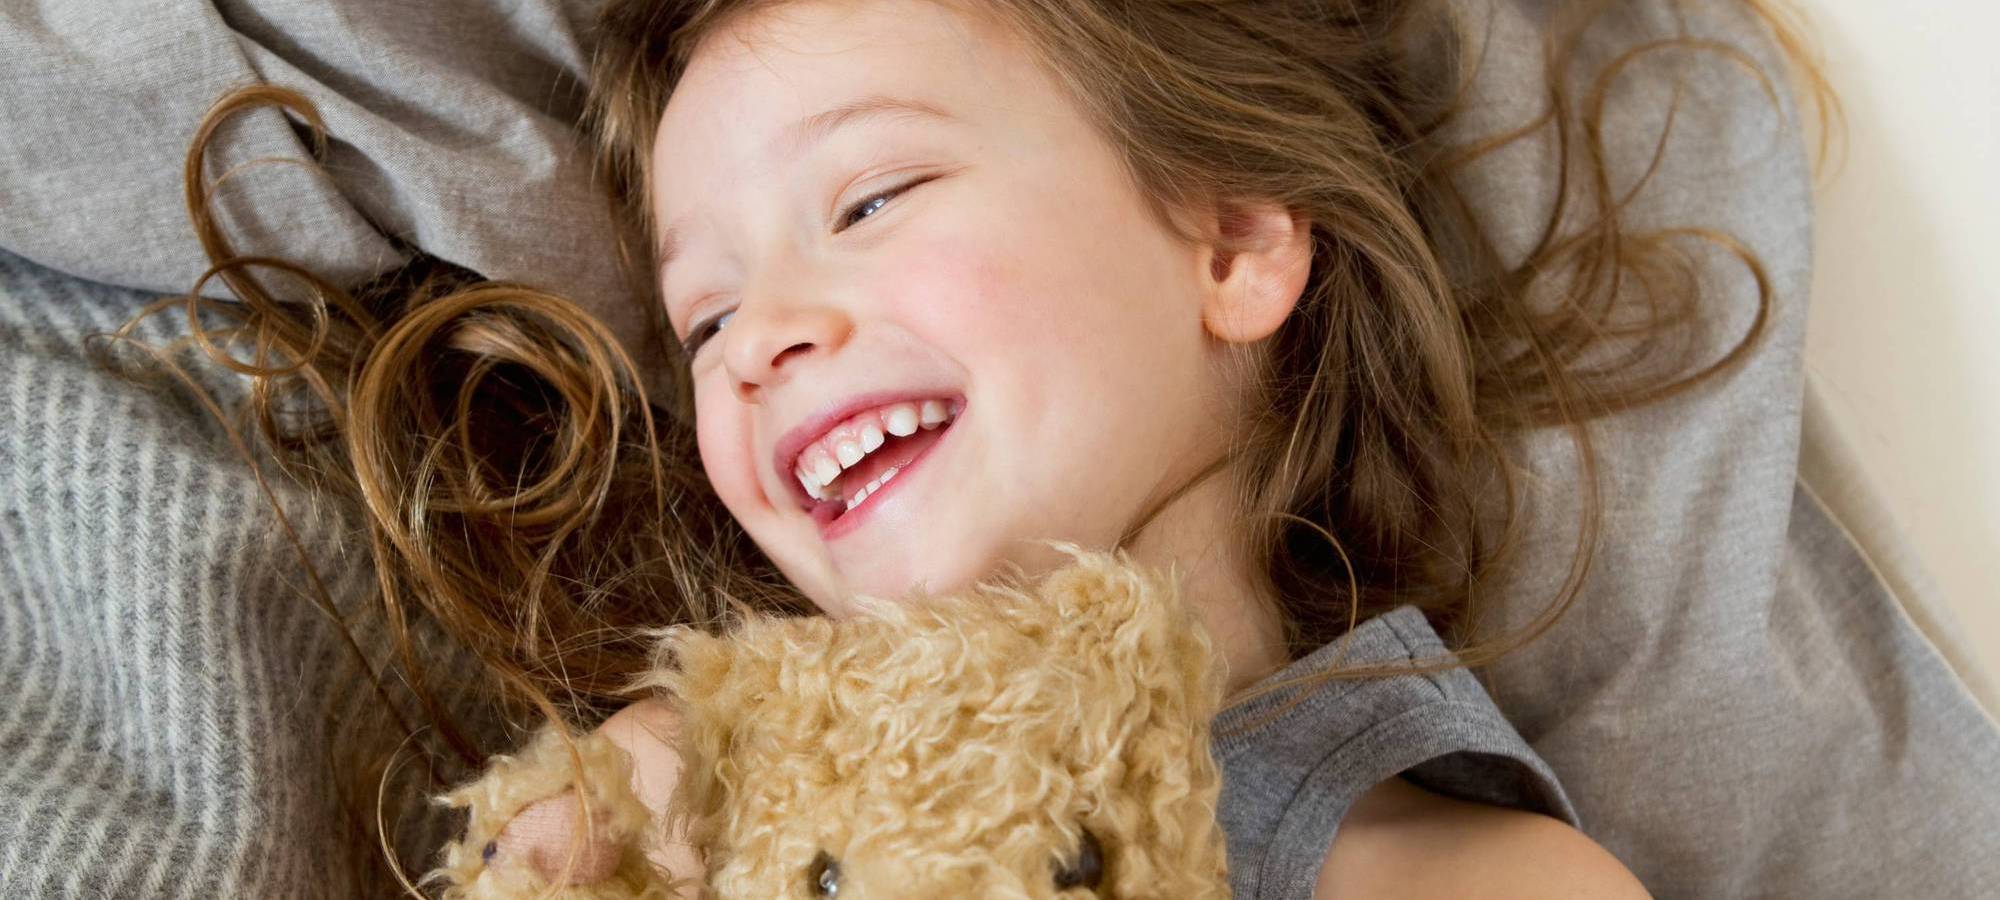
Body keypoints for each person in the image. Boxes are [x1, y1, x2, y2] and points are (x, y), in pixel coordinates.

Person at [118, 0, 1819, 895]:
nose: (763, 333)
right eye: (706, 322)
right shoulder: (704, 782)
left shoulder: (1440, 863)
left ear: (1228, 241)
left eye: (871, 197)